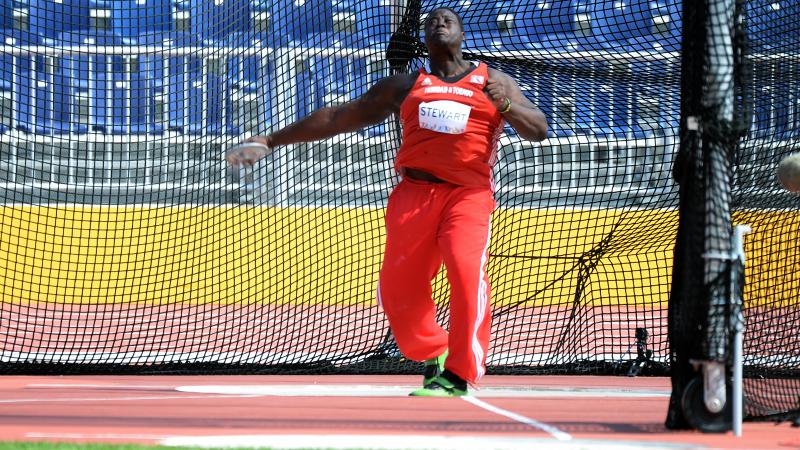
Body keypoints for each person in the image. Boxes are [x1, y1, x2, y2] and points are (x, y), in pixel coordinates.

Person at [226, 6, 547, 396]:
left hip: (468, 196)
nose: (439, 23)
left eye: (448, 19)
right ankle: (436, 349)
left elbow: (539, 130)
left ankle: (461, 372)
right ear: (424, 41)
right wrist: (270, 140)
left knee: (465, 274)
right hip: (414, 194)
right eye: (431, 22)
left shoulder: (493, 81)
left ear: (462, 34)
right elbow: (339, 117)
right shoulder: (404, 85)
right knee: (398, 290)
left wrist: (507, 105)